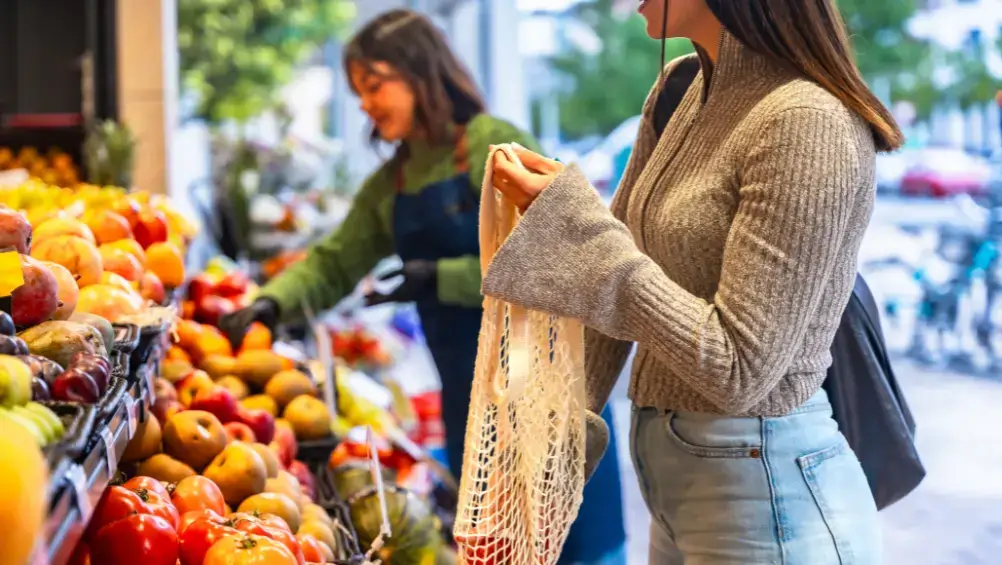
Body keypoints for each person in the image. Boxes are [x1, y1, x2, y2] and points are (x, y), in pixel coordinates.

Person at [483, 0, 902, 563]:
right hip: (681, 487)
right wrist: (557, 441)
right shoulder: (682, 88)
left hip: (767, 492)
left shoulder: (807, 121)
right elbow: (619, 269)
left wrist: (579, 228)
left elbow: (740, 370)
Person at [217, 9, 627, 564]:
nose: (365, 103)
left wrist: (440, 278)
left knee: (572, 541)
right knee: (499, 543)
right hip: (469, 392)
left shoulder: (495, 144)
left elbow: (558, 253)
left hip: (548, 388)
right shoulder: (395, 181)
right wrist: (270, 301)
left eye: (374, 85)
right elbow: (336, 259)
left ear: (419, 72)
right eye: (358, 91)